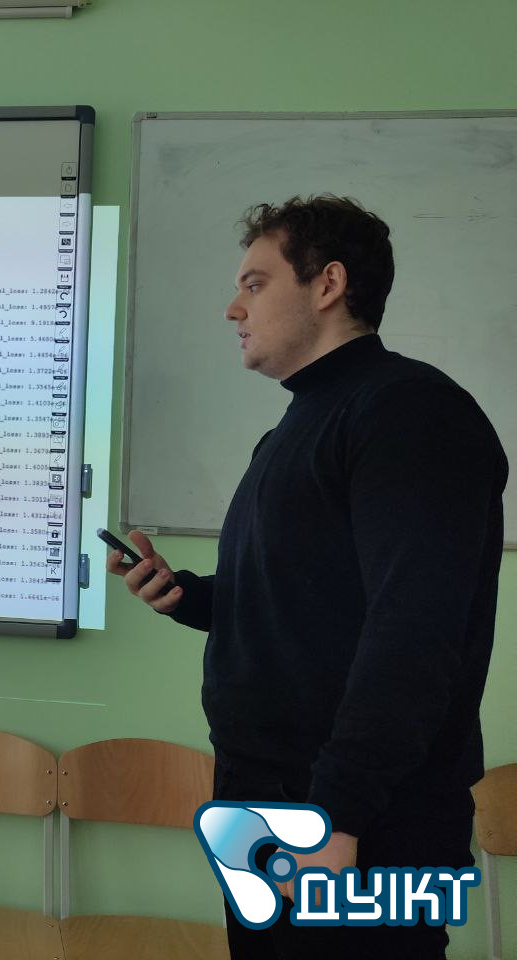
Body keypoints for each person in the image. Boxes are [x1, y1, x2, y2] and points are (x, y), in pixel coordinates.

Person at [107, 195, 507, 960]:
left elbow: (415, 633)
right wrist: (186, 595)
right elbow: (301, 603)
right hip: (269, 810)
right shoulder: (293, 428)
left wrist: (339, 816)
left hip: (355, 825)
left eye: (255, 284)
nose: (233, 308)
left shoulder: (409, 413)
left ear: (328, 284)